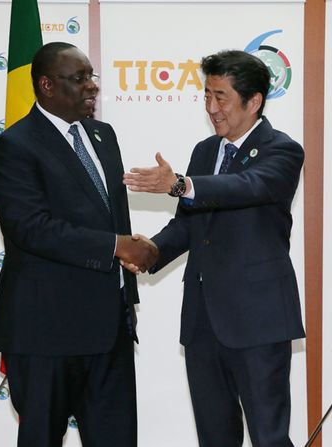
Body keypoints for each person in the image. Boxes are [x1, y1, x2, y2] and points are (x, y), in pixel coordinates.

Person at [123, 50, 305, 447]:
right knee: (214, 438)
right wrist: (151, 249)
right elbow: (190, 225)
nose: (211, 108)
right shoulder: (206, 151)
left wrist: (181, 185)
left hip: (258, 322)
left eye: (220, 97)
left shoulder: (282, 150)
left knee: (269, 438)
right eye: (206, 95)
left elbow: (248, 187)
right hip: (203, 322)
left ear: (253, 101)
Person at [0, 42, 157, 447]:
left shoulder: (102, 135)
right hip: (46, 332)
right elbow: (31, 229)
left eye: (91, 77)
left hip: (110, 330)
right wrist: (116, 246)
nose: (91, 87)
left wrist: (128, 254)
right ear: (46, 85)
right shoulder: (12, 147)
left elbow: (110, 217)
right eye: (79, 79)